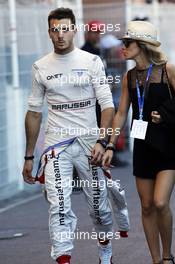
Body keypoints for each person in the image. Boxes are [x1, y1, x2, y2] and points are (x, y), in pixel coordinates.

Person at [22, 7, 115, 264]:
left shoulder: (92, 61)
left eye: (65, 29)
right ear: (49, 32)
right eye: (55, 30)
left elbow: (107, 105)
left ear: (74, 29)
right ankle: (64, 259)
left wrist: (103, 141)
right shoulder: (40, 66)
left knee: (100, 209)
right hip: (56, 146)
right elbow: (33, 113)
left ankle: (105, 251)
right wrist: (30, 156)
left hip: (89, 144)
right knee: (59, 205)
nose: (60, 35)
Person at [102, 20, 175, 264]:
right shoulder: (129, 76)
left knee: (160, 202)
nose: (123, 47)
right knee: (146, 207)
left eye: (127, 42)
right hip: (142, 146)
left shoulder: (168, 70)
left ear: (142, 45)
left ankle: (167, 256)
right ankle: (156, 260)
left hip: (168, 146)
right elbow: (121, 113)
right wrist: (110, 144)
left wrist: (164, 114)